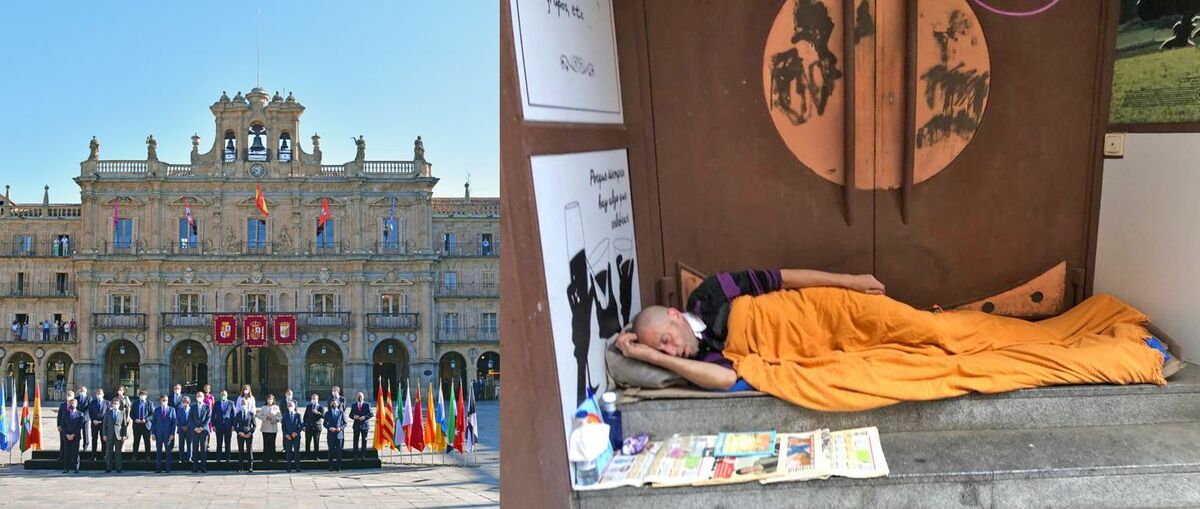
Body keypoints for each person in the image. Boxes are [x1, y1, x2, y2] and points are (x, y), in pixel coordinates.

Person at [619, 268, 1184, 411]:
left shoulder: (711, 295)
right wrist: (642, 357)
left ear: (674, 313)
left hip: (833, 313)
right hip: (815, 356)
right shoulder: (707, 361)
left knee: (941, 330)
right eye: (660, 351)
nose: (671, 352)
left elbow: (782, 276)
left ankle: (1082, 329)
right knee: (937, 366)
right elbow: (723, 380)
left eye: (664, 339)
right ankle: (1111, 353)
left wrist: (851, 282)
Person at [149, 394, 177, 473]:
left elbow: (174, 423)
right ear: (161, 401)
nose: (165, 402)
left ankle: (167, 467)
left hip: (168, 434)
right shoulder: (157, 410)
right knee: (159, 451)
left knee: (168, 451)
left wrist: (172, 434)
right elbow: (154, 422)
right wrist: (153, 433)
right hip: (159, 433)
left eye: (166, 400)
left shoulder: (172, 409)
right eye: (163, 400)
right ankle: (158, 467)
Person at [61, 397, 87, 473]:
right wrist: (67, 434)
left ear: (76, 404)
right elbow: (63, 425)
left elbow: (80, 426)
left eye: (74, 403)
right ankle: (66, 468)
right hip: (67, 436)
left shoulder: (80, 414)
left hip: (76, 436)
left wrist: (73, 435)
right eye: (71, 403)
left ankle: (76, 468)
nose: (72, 404)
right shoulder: (65, 414)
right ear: (69, 404)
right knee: (67, 452)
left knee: (75, 452)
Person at [102, 395, 128, 473]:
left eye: (117, 403)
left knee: (118, 453)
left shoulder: (122, 413)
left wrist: (124, 435)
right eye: (114, 403)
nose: (115, 405)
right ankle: (108, 467)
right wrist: (104, 434)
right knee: (109, 452)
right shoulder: (108, 413)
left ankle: (118, 468)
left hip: (118, 435)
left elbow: (124, 425)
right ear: (112, 404)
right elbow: (104, 425)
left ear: (119, 405)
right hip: (109, 435)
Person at [323, 398, 348, 471]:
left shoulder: (341, 412)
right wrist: (329, 428)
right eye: (332, 403)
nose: (334, 404)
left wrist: (340, 428)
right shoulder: (327, 413)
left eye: (335, 403)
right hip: (330, 434)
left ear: (338, 404)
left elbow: (345, 423)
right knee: (330, 451)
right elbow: (325, 424)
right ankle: (330, 466)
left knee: (339, 451)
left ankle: (338, 466)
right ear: (331, 404)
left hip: (339, 435)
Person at [190, 390, 212, 473]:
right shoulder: (193, 407)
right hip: (195, 431)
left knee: (203, 449)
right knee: (195, 449)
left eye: (200, 396)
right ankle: (195, 467)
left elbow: (208, 418)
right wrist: (195, 428)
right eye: (197, 396)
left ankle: (203, 467)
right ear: (196, 398)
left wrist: (201, 428)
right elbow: (190, 419)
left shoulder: (207, 407)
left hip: (204, 431)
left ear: (203, 398)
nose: (199, 397)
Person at [256, 394, 281, 463]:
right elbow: (259, 416)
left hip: (273, 427)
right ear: (266, 400)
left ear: (273, 400)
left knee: (272, 443)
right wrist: (266, 417)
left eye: (271, 399)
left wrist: (276, 419)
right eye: (268, 399)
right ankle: (265, 458)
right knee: (266, 443)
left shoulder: (276, 407)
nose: (269, 400)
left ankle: (273, 458)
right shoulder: (263, 407)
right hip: (265, 428)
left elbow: (280, 416)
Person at [233, 399, 257, 472]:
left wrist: (250, 433)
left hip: (248, 434)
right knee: (240, 451)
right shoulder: (238, 414)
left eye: (245, 404)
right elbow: (235, 425)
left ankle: (250, 467)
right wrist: (239, 432)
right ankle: (240, 467)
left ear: (248, 405)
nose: (243, 405)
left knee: (249, 450)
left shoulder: (251, 414)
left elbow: (254, 425)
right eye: (242, 404)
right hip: (240, 434)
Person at [348, 391, 373, 460]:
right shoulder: (354, 405)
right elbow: (350, 415)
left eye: (361, 396)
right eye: (358, 396)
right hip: (356, 425)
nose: (359, 398)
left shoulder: (367, 404)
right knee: (355, 441)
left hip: (365, 425)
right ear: (356, 397)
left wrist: (364, 417)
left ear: (363, 397)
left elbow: (371, 414)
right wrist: (354, 417)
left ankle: (363, 455)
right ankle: (355, 455)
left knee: (364, 441)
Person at [212, 389, 235, 463]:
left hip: (228, 426)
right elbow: (213, 415)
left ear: (227, 395)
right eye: (222, 394)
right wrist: (213, 425)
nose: (223, 396)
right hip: (219, 426)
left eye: (224, 394)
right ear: (220, 395)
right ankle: (218, 458)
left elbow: (234, 415)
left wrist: (233, 425)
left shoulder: (231, 403)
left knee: (227, 442)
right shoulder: (216, 403)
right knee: (219, 443)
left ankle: (228, 458)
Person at [87, 388, 110, 461]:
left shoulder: (107, 403)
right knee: (94, 439)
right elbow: (90, 412)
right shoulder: (92, 402)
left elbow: (108, 414)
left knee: (103, 440)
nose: (98, 395)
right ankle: (93, 455)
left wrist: (102, 421)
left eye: (100, 393)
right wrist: (93, 420)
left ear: (103, 394)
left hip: (103, 424)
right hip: (94, 424)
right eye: (97, 393)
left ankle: (104, 456)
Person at [130, 389, 152, 460]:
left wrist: (146, 419)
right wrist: (135, 419)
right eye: (141, 395)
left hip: (146, 425)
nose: (142, 396)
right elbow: (131, 414)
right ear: (139, 396)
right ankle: (134, 456)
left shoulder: (149, 403)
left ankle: (148, 456)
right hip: (137, 425)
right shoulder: (135, 403)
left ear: (146, 396)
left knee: (147, 441)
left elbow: (152, 414)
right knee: (136, 441)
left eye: (144, 395)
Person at [281, 400, 303, 472]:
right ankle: (289, 467)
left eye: (291, 405)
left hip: (296, 436)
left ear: (294, 406)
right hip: (288, 437)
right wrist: (286, 434)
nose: (290, 406)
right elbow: (283, 426)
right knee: (288, 452)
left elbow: (301, 425)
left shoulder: (298, 415)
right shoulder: (285, 415)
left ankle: (297, 467)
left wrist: (296, 433)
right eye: (289, 405)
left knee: (297, 452)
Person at [56, 389, 76, 462]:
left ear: (73, 396)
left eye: (70, 395)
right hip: (63, 427)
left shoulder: (76, 405)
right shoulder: (62, 405)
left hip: (72, 427)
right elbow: (59, 416)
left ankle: (71, 457)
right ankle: (61, 456)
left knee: (72, 443)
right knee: (63, 442)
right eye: (68, 395)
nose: (69, 396)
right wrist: (58, 425)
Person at [303, 394, 325, 460]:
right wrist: (304, 425)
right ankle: (307, 455)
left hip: (317, 427)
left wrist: (317, 412)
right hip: (309, 427)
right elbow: (305, 417)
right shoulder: (308, 407)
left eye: (314, 398)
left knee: (316, 442)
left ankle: (316, 456)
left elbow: (324, 416)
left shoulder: (321, 407)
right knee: (307, 442)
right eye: (312, 398)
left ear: (317, 399)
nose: (313, 400)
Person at [176, 396, 193, 466]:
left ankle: (189, 457)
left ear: (188, 402)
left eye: (184, 401)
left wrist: (187, 426)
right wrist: (181, 427)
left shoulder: (191, 410)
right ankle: (181, 458)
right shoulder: (179, 410)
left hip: (189, 430)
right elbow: (177, 420)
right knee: (181, 444)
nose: (183, 403)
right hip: (181, 430)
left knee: (189, 444)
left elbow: (192, 419)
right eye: (182, 401)